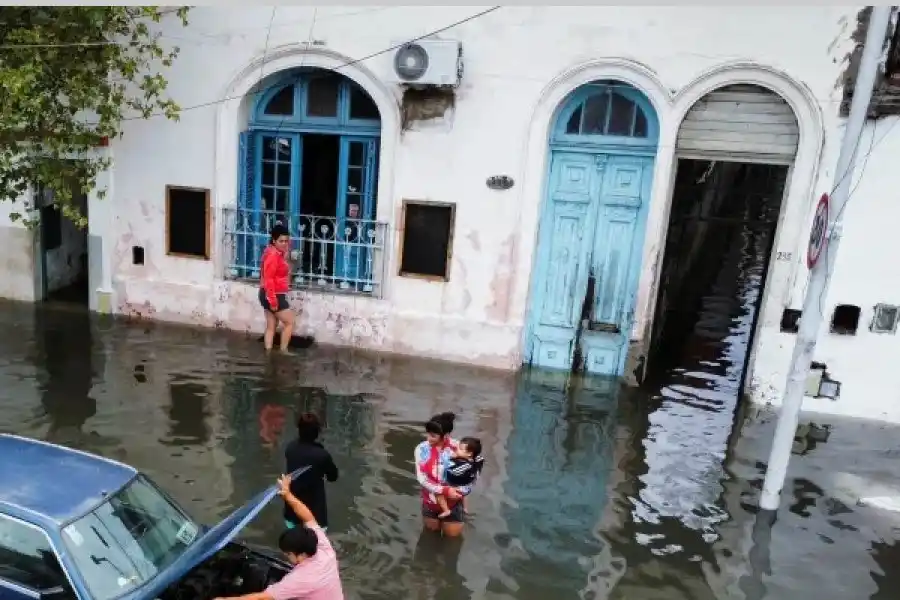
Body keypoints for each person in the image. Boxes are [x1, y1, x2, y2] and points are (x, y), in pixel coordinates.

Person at [213, 475, 344, 600]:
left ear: (302, 555)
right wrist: (287, 495)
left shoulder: (300, 579)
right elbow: (308, 517)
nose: (286, 556)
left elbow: (263, 597)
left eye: (288, 554)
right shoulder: (325, 550)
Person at [414, 412, 471, 537]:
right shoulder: (421, 449)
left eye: (433, 436)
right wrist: (444, 490)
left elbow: (471, 474)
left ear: (445, 435)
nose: (428, 438)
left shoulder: (458, 448)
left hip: (453, 503)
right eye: (427, 433)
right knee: (430, 537)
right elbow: (422, 479)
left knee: (452, 542)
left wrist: (462, 491)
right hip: (430, 502)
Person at [285, 413, 339, 531]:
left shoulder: (290, 448)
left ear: (298, 430)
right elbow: (333, 477)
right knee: (315, 545)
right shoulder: (322, 455)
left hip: (292, 511)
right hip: (314, 515)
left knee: (294, 544)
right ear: (317, 432)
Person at [260, 224, 295, 353]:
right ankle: (283, 351)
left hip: (267, 293)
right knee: (290, 322)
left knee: (271, 325)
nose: (284, 244)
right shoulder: (273, 256)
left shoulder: (275, 252)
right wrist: (273, 300)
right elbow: (269, 279)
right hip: (273, 293)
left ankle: (268, 353)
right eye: (281, 241)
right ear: (274, 241)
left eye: (286, 241)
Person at [436, 436, 483, 518]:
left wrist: (450, 458)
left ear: (469, 454)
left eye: (460, 449)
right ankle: (465, 508)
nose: (457, 449)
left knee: (437, 492)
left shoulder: (464, 466)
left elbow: (450, 469)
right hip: (467, 487)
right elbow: (479, 458)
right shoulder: (477, 459)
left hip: (458, 488)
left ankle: (446, 510)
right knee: (465, 495)